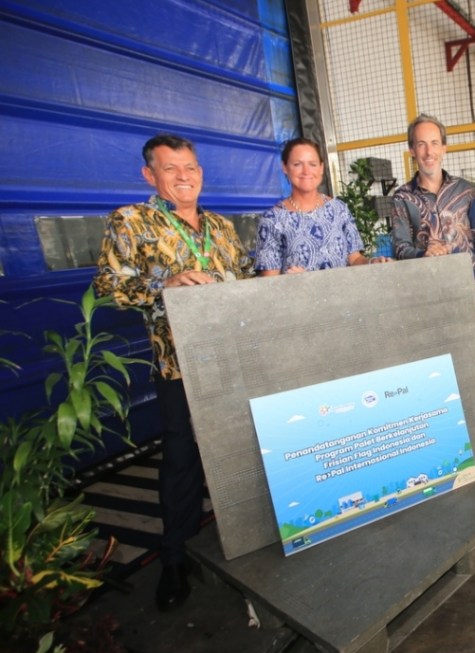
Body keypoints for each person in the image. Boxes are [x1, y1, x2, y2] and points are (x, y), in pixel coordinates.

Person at [93, 133, 254, 611]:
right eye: (170, 169)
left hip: (233, 362)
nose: (184, 177)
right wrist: (166, 283)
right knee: (181, 461)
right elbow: (107, 285)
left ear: (200, 173)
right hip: (177, 366)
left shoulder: (221, 226)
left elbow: (246, 277)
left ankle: (249, 545)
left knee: (241, 452)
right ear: (150, 175)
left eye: (190, 168)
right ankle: (176, 558)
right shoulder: (131, 221)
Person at [391, 114, 475, 447]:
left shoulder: (464, 190)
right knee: (440, 363)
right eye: (421, 144)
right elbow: (399, 247)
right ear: (411, 150)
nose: (429, 151)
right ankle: (451, 433)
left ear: (444, 147)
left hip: (472, 289)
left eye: (434, 143)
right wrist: (423, 253)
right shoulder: (402, 198)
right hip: (428, 296)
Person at [253, 138, 387, 275]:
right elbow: (270, 280)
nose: (306, 171)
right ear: (285, 167)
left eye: (312, 164)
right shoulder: (272, 219)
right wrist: (293, 281)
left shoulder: (339, 209)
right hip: (299, 290)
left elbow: (355, 259)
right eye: (297, 164)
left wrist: (372, 263)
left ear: (321, 168)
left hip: (343, 289)